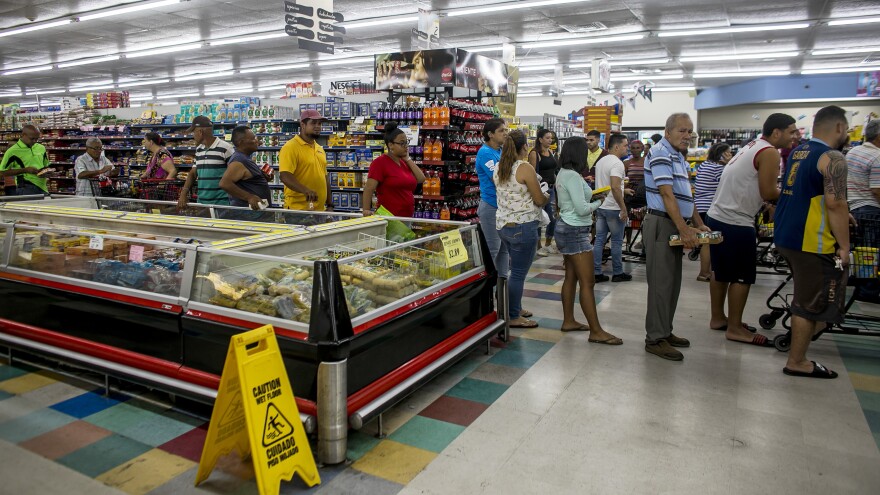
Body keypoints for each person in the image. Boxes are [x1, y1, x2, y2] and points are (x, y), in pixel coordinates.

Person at [706, 114, 796, 347]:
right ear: (777, 132)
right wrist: (793, 195)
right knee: (741, 276)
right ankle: (735, 328)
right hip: (736, 221)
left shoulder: (752, 146)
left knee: (721, 271)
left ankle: (718, 318)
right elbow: (768, 191)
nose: (795, 136)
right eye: (791, 131)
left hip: (717, 217)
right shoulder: (769, 152)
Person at [774, 106, 852, 379]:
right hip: (812, 241)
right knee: (810, 303)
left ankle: (798, 347)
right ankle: (798, 360)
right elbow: (836, 204)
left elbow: (811, 194)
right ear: (840, 128)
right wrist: (844, 246)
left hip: (787, 234)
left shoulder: (799, 152)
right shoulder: (834, 158)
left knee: (806, 297)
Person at [643, 113, 710, 361]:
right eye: (682, 130)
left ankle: (665, 330)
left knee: (672, 284)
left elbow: (684, 194)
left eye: (690, 131)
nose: (687, 135)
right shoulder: (661, 152)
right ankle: (655, 338)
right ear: (668, 131)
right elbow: (667, 194)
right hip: (662, 222)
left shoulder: (678, 156)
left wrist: (699, 224)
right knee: (661, 284)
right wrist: (683, 228)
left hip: (674, 222)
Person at [555, 136, 623, 344]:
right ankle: (596, 331)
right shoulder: (573, 177)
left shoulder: (563, 174)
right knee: (588, 282)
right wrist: (598, 201)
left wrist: (591, 196)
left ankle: (569, 320)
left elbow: (574, 202)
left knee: (571, 277)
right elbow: (582, 208)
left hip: (566, 227)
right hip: (575, 230)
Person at [494, 130, 549, 328]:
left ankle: (513, 307)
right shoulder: (524, 168)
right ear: (525, 146)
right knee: (518, 273)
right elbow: (539, 199)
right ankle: (513, 315)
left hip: (503, 226)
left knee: (512, 270)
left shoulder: (499, 167)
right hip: (523, 226)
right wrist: (547, 196)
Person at [362, 122, 425, 217]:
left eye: (406, 142)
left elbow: (421, 179)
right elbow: (369, 188)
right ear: (390, 145)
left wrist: (408, 159)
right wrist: (366, 210)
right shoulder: (380, 163)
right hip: (388, 217)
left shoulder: (404, 163)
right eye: (402, 143)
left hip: (407, 217)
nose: (406, 146)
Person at [593, 133, 632, 282]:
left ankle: (596, 273)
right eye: (625, 145)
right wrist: (623, 208)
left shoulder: (602, 161)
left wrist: (624, 190)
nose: (626, 148)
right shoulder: (617, 163)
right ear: (616, 146)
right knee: (616, 241)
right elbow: (615, 187)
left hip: (601, 205)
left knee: (599, 240)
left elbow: (608, 185)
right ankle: (617, 273)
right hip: (614, 208)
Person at [278, 109, 333, 211]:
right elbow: (285, 176)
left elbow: (325, 178)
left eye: (319, 123)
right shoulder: (290, 147)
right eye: (313, 123)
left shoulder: (319, 149)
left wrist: (330, 204)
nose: (317, 126)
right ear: (303, 125)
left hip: (319, 209)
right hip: (298, 210)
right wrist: (305, 190)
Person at [476, 118, 510, 279]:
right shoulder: (484, 153)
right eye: (501, 131)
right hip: (491, 207)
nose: (505, 133)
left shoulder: (501, 151)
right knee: (493, 250)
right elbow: (498, 178)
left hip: (503, 207)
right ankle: (489, 289)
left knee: (504, 250)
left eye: (505, 130)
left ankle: (502, 289)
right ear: (490, 134)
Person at [693, 142, 733, 281]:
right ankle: (704, 273)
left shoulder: (705, 165)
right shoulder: (718, 168)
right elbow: (728, 186)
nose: (731, 155)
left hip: (699, 207)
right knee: (709, 241)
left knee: (707, 241)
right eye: (728, 152)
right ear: (721, 154)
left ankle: (706, 271)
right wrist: (729, 164)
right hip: (710, 207)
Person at [177, 116, 235, 208]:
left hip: (222, 204)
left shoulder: (226, 148)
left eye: (193, 132)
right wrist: (184, 193)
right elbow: (193, 173)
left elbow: (235, 174)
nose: (193, 135)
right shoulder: (199, 149)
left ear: (200, 132)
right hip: (201, 203)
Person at [219, 125, 272, 215]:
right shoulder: (238, 160)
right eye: (253, 138)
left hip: (256, 215)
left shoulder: (245, 158)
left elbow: (248, 181)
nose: (256, 141)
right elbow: (224, 183)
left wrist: (263, 178)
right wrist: (249, 197)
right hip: (248, 216)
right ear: (241, 142)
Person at [529, 129, 559, 256]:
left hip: (551, 188)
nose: (550, 140)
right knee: (540, 217)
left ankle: (547, 243)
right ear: (540, 139)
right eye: (547, 138)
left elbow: (554, 171)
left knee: (552, 219)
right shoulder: (535, 153)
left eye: (551, 138)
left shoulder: (551, 152)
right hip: (541, 189)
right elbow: (532, 174)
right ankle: (538, 246)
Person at [0, 124, 50, 195]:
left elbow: (46, 165)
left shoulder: (41, 148)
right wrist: (25, 170)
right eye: (32, 138)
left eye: (37, 139)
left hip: (43, 187)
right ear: (23, 135)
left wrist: (47, 172)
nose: (35, 141)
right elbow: (2, 172)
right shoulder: (12, 151)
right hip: (26, 187)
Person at [846, 119, 880, 222]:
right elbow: (877, 191)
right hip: (872, 211)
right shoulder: (877, 156)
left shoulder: (852, 152)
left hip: (853, 209)